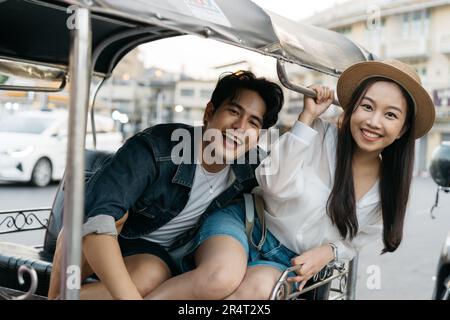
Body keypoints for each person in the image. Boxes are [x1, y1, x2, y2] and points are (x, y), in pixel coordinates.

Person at [146, 59, 435, 300]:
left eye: (390, 115)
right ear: (351, 110)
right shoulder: (319, 134)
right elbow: (272, 185)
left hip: (287, 260)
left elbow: (356, 240)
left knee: (252, 293)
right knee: (219, 278)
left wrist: (330, 251)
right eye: (367, 107)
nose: (374, 122)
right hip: (247, 223)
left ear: (402, 129)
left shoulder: (389, 189)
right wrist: (306, 119)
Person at [47, 70, 284, 300]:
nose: (240, 128)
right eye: (234, 111)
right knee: (90, 223)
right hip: (105, 236)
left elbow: (299, 191)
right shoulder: (157, 148)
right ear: (209, 112)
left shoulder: (254, 166)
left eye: (253, 123)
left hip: (152, 255)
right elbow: (98, 219)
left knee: (151, 275)